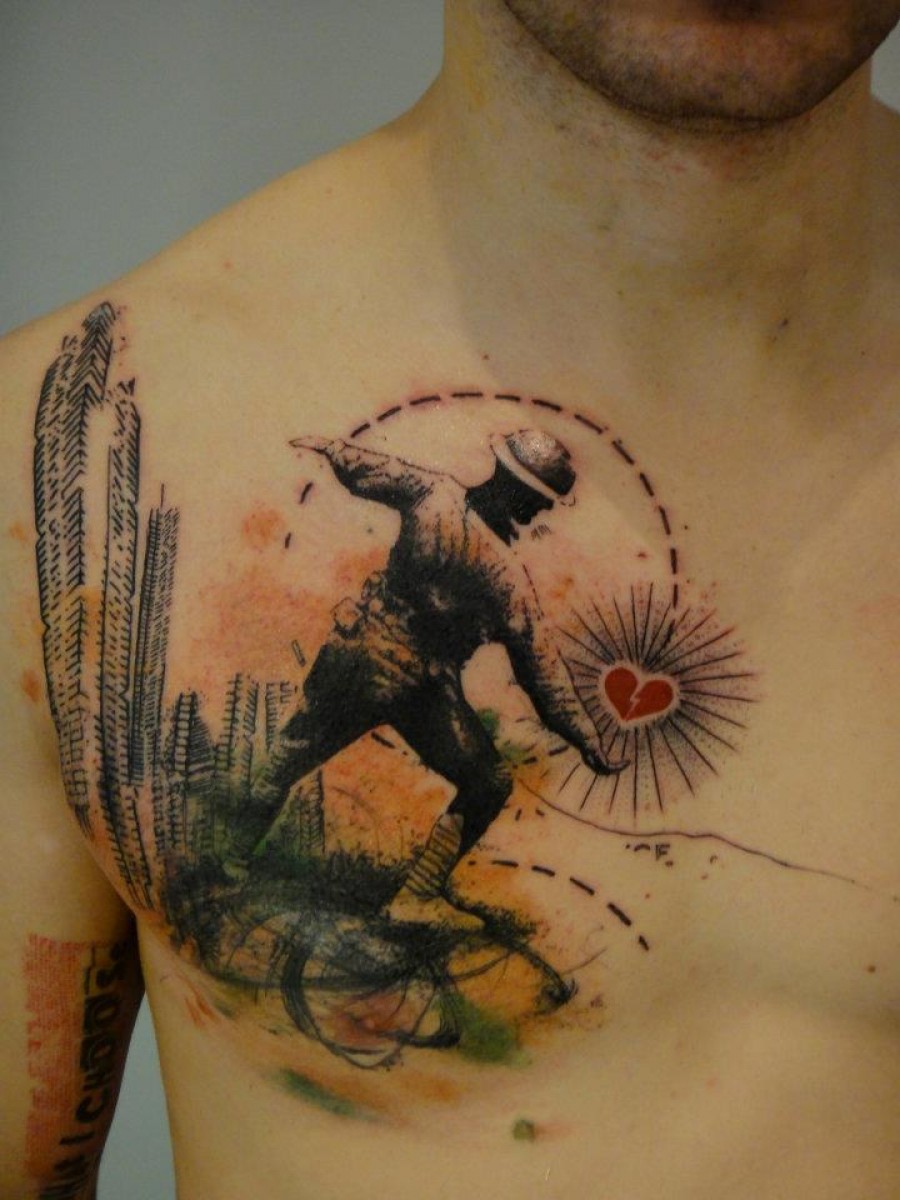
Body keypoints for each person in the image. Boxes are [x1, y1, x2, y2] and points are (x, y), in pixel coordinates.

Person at [2, 3, 899, 1198]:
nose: (530, 507)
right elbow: (526, 665)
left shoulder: (443, 513)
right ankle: (318, 872)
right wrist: (589, 738)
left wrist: (328, 453)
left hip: (392, 674)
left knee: (402, 772)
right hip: (380, 668)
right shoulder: (55, 450)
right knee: (330, 771)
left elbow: (384, 491)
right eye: (533, 494)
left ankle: (345, 877)